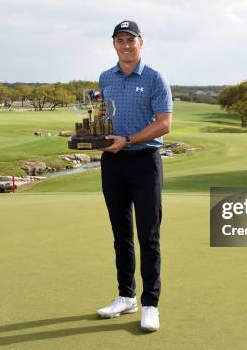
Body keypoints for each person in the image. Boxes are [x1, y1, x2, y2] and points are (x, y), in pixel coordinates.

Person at [96, 20, 173, 332]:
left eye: (131, 40)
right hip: (112, 162)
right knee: (121, 234)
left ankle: (150, 303)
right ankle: (126, 296)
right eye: (119, 40)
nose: (125, 45)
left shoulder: (155, 78)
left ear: (141, 43)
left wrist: (128, 140)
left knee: (148, 235)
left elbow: (164, 123)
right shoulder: (105, 78)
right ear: (113, 44)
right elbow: (103, 116)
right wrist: (98, 135)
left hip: (145, 162)